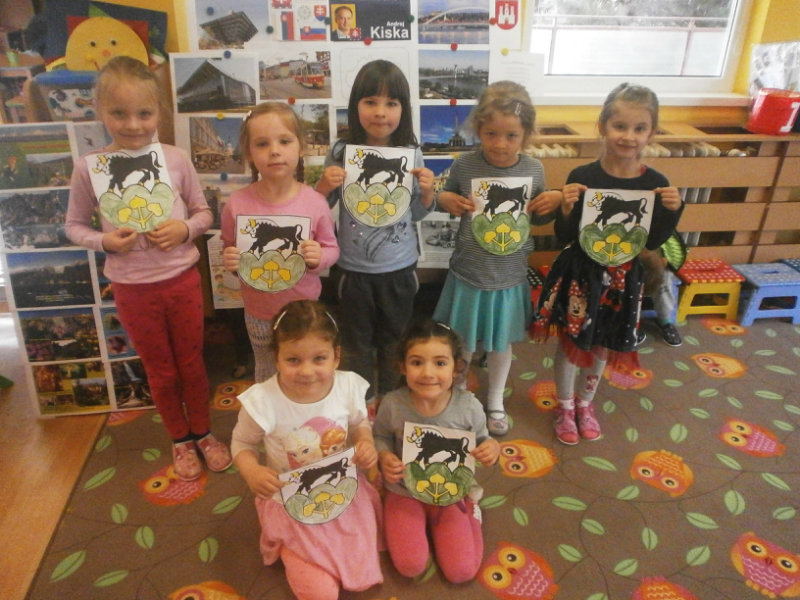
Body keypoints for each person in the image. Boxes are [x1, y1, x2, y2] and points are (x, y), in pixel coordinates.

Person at [65, 56, 231, 480]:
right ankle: (180, 439)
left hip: (181, 280)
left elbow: (203, 213)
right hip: (132, 288)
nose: (134, 124)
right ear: (99, 111)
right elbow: (74, 225)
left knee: (191, 363)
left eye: (144, 112)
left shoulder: (175, 159)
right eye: (119, 113)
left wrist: (184, 229)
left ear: (159, 111)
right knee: (161, 370)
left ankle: (203, 432)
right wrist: (104, 241)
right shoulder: (89, 168)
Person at [531, 83, 684, 445]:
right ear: (602, 126)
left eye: (639, 128)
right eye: (620, 126)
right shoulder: (583, 176)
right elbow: (566, 234)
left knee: (603, 343)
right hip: (582, 276)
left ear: (652, 133)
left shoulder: (655, 183)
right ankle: (565, 406)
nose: (629, 136)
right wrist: (566, 207)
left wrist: (673, 210)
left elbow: (652, 240)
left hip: (622, 279)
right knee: (572, 342)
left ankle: (585, 404)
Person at [230, 299, 383, 600]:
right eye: (293, 360)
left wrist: (365, 441)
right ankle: (294, 549)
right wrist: (251, 470)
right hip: (289, 499)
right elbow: (242, 443)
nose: (307, 371)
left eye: (319, 358)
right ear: (276, 358)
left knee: (361, 564)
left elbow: (359, 424)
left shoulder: (347, 387)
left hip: (341, 487)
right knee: (321, 594)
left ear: (336, 357)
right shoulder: (264, 401)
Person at [434, 80, 560, 436]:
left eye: (511, 136)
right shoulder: (464, 165)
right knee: (463, 342)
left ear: (526, 135)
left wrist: (551, 204)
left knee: (501, 344)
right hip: (469, 273)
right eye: (491, 133)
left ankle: (494, 401)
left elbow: (537, 218)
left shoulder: (533, 169)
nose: (500, 144)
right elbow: (446, 197)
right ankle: (457, 391)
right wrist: (444, 200)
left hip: (508, 276)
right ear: (478, 129)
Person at [315, 59, 435, 406]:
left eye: (391, 103)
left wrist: (428, 194)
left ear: (403, 109)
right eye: (370, 101)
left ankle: (392, 399)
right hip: (353, 271)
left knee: (395, 340)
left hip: (399, 269)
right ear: (356, 106)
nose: (380, 112)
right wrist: (324, 185)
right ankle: (364, 402)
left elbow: (415, 213)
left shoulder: (411, 152)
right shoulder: (340, 152)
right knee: (356, 343)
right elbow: (320, 208)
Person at [373, 318, 500, 583]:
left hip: (451, 491)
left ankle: (471, 510)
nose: (428, 373)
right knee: (410, 565)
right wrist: (384, 456)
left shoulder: (469, 407)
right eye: (417, 362)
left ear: (456, 367)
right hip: (404, 490)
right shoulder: (393, 404)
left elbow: (483, 439)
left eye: (440, 363)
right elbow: (381, 436)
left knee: (461, 571)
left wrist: (491, 447)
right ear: (403, 366)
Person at [221, 102, 339, 382]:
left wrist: (319, 257)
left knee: (305, 370)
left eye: (284, 141)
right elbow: (229, 249)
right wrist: (232, 262)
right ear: (249, 153)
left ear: (301, 148)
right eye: (262, 144)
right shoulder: (236, 204)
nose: (274, 151)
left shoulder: (315, 201)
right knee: (266, 368)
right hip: (258, 312)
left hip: (305, 312)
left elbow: (332, 248)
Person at [637, 246, 682, 347]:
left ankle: (665, 320)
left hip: (657, 261)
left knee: (664, 283)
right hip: (626, 261)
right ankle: (628, 323)